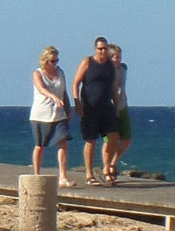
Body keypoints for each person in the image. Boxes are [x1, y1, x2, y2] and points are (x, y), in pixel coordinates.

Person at [72, 36, 120, 184]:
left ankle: (106, 168)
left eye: (105, 48)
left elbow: (113, 87)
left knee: (112, 136)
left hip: (106, 108)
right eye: (100, 49)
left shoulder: (110, 66)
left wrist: (116, 106)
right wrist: (77, 103)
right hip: (90, 108)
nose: (103, 51)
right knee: (91, 140)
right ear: (95, 49)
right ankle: (89, 174)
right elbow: (76, 83)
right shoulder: (88, 62)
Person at [30, 44, 74, 187]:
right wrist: (53, 97)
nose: (55, 64)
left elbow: (64, 91)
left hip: (59, 113)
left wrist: (68, 109)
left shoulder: (60, 72)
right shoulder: (38, 73)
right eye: (52, 61)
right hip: (41, 114)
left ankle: (63, 176)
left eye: (57, 60)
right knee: (40, 145)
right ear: (45, 61)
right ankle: (36, 175)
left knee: (63, 142)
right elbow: (41, 88)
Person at [107, 43, 132, 180]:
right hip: (109, 109)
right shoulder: (106, 71)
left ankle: (112, 163)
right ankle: (106, 167)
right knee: (109, 140)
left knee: (126, 139)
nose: (118, 59)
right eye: (115, 57)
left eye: (119, 57)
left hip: (122, 107)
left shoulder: (123, 68)